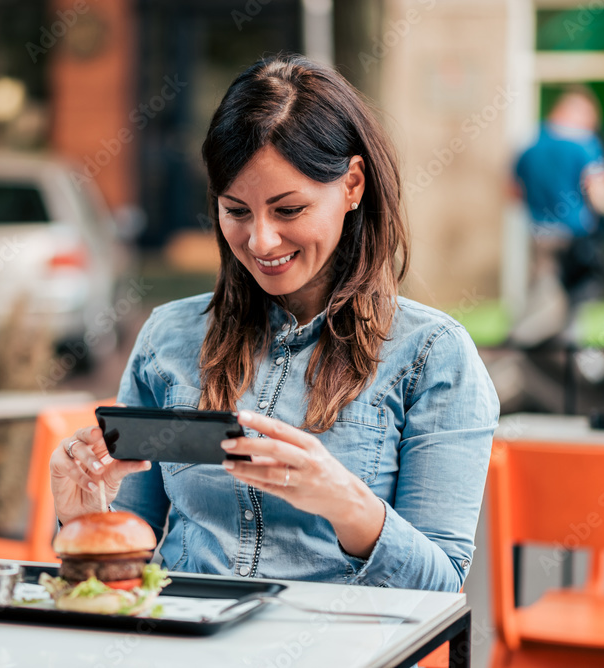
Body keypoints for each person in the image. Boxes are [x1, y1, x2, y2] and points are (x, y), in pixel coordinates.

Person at [49, 54, 499, 592]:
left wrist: (347, 503)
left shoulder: (433, 354)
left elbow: (440, 588)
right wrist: (85, 521)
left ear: (353, 184)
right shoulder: (167, 337)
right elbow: (122, 572)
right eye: (236, 211)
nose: (260, 241)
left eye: (288, 210)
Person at [511, 86, 604, 347]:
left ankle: (533, 356)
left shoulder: (529, 148)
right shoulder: (585, 146)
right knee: (573, 304)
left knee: (542, 293)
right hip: (575, 237)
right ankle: (535, 350)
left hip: (539, 233)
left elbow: (512, 193)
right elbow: (600, 197)